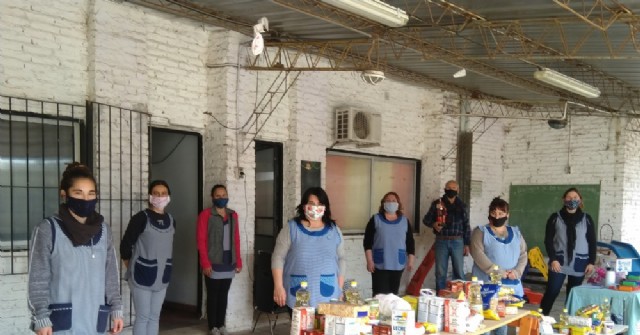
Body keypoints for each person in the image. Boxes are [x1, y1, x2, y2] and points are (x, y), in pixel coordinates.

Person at [28, 162, 123, 335]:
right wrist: (40, 317)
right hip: (60, 323)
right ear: (64, 194)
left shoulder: (104, 231)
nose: (86, 200)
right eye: (78, 193)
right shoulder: (48, 229)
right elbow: (38, 279)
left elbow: (111, 274)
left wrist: (117, 308)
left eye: (91, 194)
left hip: (95, 320)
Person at [272, 187, 345, 309]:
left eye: (320, 204)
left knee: (326, 328)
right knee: (300, 327)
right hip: (299, 294)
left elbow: (341, 258)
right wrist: (278, 286)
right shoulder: (292, 228)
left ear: (325, 207)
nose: (315, 208)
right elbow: (278, 257)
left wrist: (340, 288)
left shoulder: (334, 230)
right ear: (303, 205)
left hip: (328, 294)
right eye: (311, 203)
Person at [121, 180, 175, 335]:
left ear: (168, 196)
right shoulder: (141, 218)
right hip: (141, 276)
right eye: (156, 193)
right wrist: (133, 267)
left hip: (162, 276)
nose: (160, 197)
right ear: (150, 196)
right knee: (143, 317)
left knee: (154, 317)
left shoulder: (171, 220)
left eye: (163, 193)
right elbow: (125, 246)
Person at [470, 197, 527, 335]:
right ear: (489, 214)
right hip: (486, 285)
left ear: (507, 215)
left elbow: (523, 254)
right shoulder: (480, 232)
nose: (497, 216)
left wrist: (517, 272)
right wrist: (497, 271)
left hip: (509, 285)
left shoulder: (515, 233)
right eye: (494, 213)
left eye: (501, 213)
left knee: (502, 320)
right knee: (485, 322)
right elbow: (478, 255)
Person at [540, 187, 596, 315]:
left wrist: (591, 262)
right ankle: (541, 318)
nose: (572, 200)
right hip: (558, 262)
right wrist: (553, 259)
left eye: (575, 198)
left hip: (579, 262)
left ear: (580, 200)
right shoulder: (555, 218)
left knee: (573, 295)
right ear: (563, 200)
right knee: (552, 291)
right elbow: (548, 241)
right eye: (569, 198)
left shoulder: (586, 219)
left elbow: (592, 242)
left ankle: (570, 322)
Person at [196, 184, 242, 335]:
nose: (221, 198)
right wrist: (205, 263)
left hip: (229, 262)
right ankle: (212, 327)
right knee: (213, 295)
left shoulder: (232, 215)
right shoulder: (206, 215)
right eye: (218, 196)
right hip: (213, 262)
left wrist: (238, 261)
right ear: (212, 197)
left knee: (223, 294)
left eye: (224, 195)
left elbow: (236, 238)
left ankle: (221, 324)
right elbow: (201, 240)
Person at [363, 191, 416, 295]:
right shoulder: (375, 219)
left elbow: (410, 242)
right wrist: (369, 260)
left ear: (398, 204)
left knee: (393, 295)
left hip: (398, 264)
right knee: (380, 295)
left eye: (393, 200)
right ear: (383, 203)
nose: (391, 202)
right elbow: (367, 242)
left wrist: (411, 260)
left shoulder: (405, 221)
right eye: (388, 200)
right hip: (380, 264)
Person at [422, 180, 471, 292]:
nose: (451, 190)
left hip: (458, 241)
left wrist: (467, 244)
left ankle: (460, 297)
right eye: (448, 188)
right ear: (445, 189)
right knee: (440, 272)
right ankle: (440, 296)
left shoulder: (462, 206)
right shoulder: (437, 204)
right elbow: (426, 220)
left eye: (454, 188)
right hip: (441, 241)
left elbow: (466, 226)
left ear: (458, 190)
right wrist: (434, 224)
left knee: (459, 271)